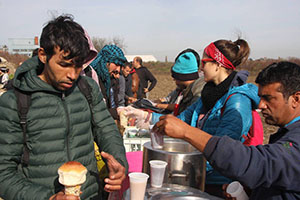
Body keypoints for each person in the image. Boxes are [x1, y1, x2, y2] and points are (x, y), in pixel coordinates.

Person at [0, 15, 128, 200]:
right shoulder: (15, 102)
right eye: (64, 65)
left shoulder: (87, 88)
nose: (72, 75)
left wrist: (118, 160)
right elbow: (3, 173)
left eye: (78, 66)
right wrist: (47, 198)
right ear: (43, 55)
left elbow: (106, 129)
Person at [125, 38, 262, 196]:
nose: (201, 68)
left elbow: (224, 150)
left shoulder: (237, 102)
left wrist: (184, 166)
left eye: (205, 62)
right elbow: (181, 120)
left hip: (220, 184)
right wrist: (145, 116)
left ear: (218, 65)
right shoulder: (208, 95)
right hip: (200, 176)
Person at [155, 61, 300, 200]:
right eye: (261, 97)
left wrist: (187, 132)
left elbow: (259, 163)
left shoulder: (295, 142)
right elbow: (280, 177)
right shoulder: (287, 134)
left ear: (296, 99)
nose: (261, 105)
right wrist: (252, 192)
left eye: (268, 98)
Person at [155, 48, 205, 115]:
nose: (174, 81)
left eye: (175, 78)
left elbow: (185, 119)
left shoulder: (196, 94)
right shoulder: (186, 90)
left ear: (181, 78)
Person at [90, 44, 127, 120]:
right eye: (116, 64)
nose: (118, 70)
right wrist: (115, 112)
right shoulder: (91, 79)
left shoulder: (110, 80)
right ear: (105, 61)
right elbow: (93, 113)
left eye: (120, 66)